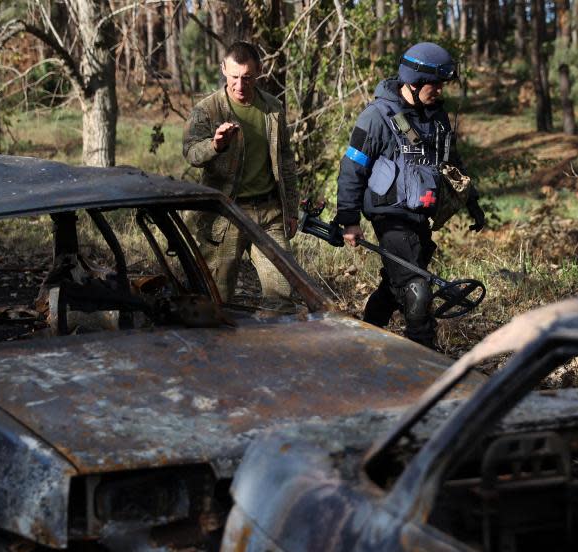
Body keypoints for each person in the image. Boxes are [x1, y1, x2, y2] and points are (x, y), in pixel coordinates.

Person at [333, 42, 485, 349]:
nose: (440, 90)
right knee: (417, 290)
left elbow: (453, 165)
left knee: (395, 286)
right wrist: (348, 218)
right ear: (414, 81)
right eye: (436, 84)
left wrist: (473, 202)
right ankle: (425, 359)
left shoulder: (436, 118)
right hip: (389, 218)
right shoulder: (376, 117)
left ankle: (362, 339)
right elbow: (353, 167)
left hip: (420, 215)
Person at [183, 41, 300, 305]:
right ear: (223, 69)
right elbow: (191, 154)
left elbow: (285, 159)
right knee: (215, 297)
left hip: (269, 214)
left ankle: (271, 345)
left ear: (259, 70)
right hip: (226, 215)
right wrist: (215, 145)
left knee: (281, 294)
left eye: (247, 77)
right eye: (234, 77)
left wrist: (290, 209)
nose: (239, 85)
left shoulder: (272, 109)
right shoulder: (208, 109)